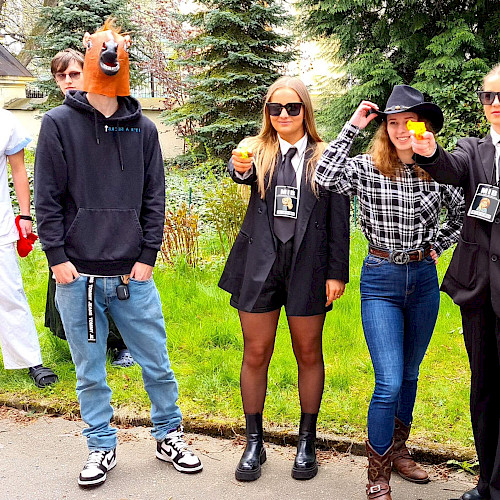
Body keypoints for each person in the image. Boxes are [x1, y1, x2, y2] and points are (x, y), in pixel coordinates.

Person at [34, 21, 202, 488]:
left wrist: (147, 256)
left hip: (133, 275)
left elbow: (154, 198)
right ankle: (100, 445)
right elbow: (47, 198)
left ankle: (169, 435)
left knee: (157, 364)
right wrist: (57, 259)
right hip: (78, 277)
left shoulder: (144, 129)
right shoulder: (57, 124)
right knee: (90, 372)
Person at [315, 85, 464, 500]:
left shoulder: (439, 170)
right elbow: (324, 177)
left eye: (408, 122)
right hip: (381, 278)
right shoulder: (368, 167)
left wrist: (439, 243)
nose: (400, 130)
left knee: (410, 374)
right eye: (392, 123)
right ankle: (376, 473)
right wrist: (352, 127)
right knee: (389, 381)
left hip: (423, 280)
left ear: (424, 127)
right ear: (384, 129)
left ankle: (399, 450)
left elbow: (465, 213)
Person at [218, 76, 350, 482]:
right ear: (267, 112)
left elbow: (339, 219)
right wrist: (239, 166)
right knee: (255, 352)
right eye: (275, 108)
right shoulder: (258, 151)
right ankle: (253, 442)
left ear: (305, 110)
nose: (284, 115)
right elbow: (239, 170)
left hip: (309, 265)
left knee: (308, 353)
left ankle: (306, 441)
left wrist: (336, 272)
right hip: (260, 263)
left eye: (292, 107)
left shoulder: (326, 156)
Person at [413, 65, 500, 500]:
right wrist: (430, 152)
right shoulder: (472, 149)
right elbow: (449, 167)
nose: (495, 104)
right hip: (479, 291)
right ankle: (486, 481)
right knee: (483, 388)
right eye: (489, 96)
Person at [46, 48, 135, 368]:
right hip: (71, 224)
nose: (68, 81)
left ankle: (121, 343)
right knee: (70, 285)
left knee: (114, 287)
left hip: (109, 223)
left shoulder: (111, 117)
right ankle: (79, 343)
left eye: (74, 73)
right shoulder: (57, 122)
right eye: (61, 76)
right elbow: (50, 186)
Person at [0, 108, 58, 388]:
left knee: (10, 293)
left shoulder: (6, 121)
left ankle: (31, 360)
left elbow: (18, 169)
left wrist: (25, 215)